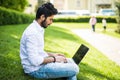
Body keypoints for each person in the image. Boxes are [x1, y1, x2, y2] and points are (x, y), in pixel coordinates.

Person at [20, 2, 79, 80]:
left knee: (69, 61)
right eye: (50, 19)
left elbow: (38, 51)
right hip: (36, 70)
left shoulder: (38, 29)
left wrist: (53, 54)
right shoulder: (32, 33)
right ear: (42, 17)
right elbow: (34, 61)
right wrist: (54, 59)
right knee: (75, 69)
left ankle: (67, 72)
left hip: (40, 65)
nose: (51, 22)